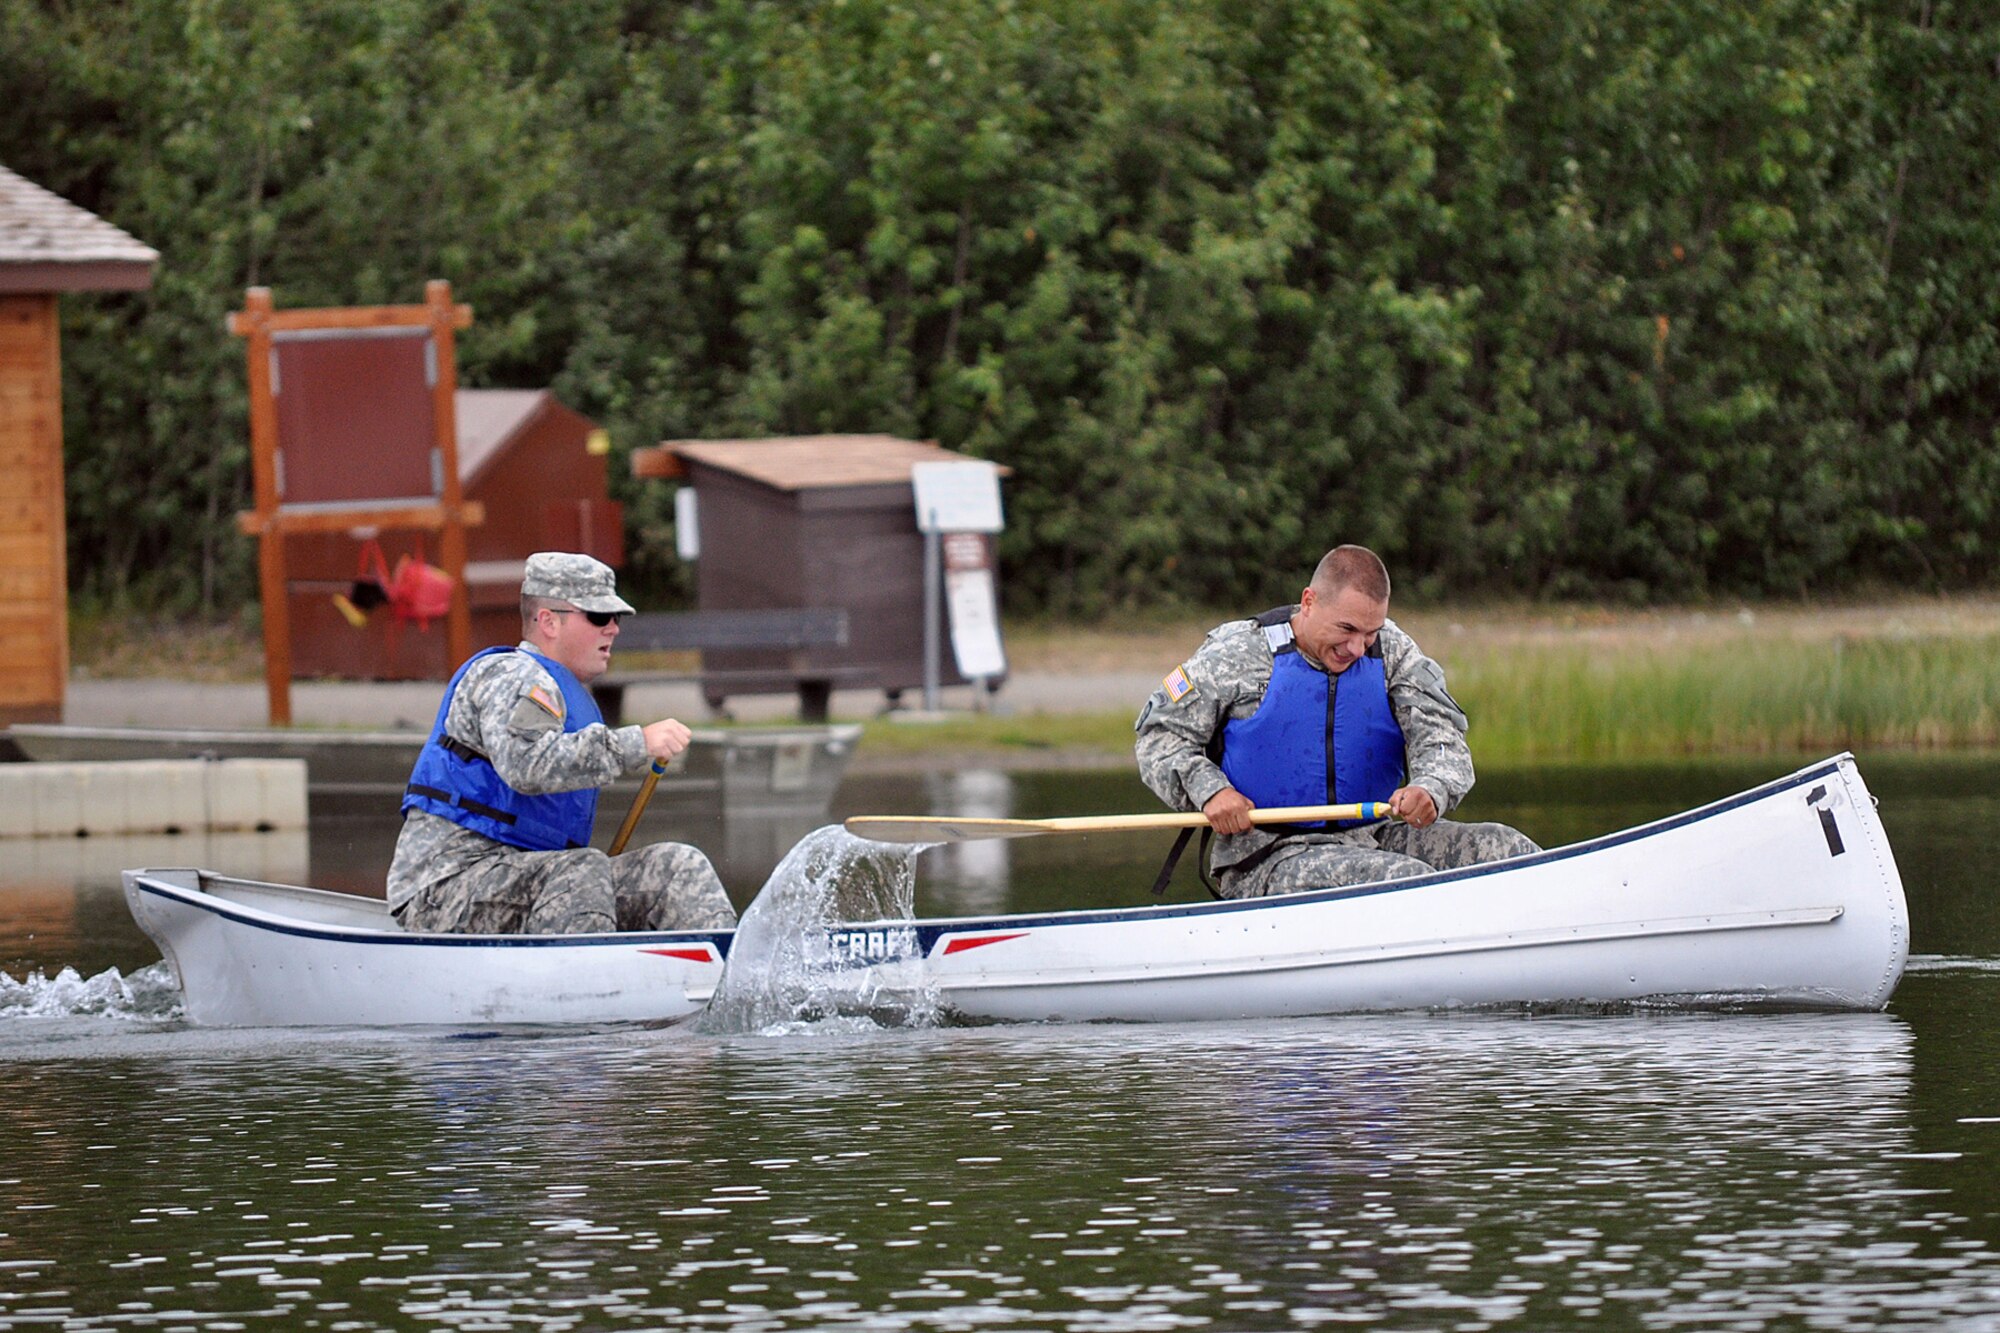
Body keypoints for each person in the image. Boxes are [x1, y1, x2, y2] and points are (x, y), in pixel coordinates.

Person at [1134, 544, 1538, 898]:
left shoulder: (1392, 651)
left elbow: (1440, 733)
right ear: (1308, 602)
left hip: (1374, 836)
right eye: (1346, 629)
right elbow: (1159, 737)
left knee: (1509, 849)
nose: (1357, 648)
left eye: (1369, 633)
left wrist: (1431, 788)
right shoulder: (1235, 654)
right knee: (1407, 881)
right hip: (1266, 855)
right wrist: (1210, 792)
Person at [387, 552, 738, 935]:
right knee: (581, 869)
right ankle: (591, 989)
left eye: (615, 618)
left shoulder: (561, 691)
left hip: (532, 881)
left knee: (677, 869)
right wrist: (636, 743)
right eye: (599, 617)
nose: (613, 630)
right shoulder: (511, 676)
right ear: (549, 622)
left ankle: (723, 982)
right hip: (445, 890)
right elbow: (527, 765)